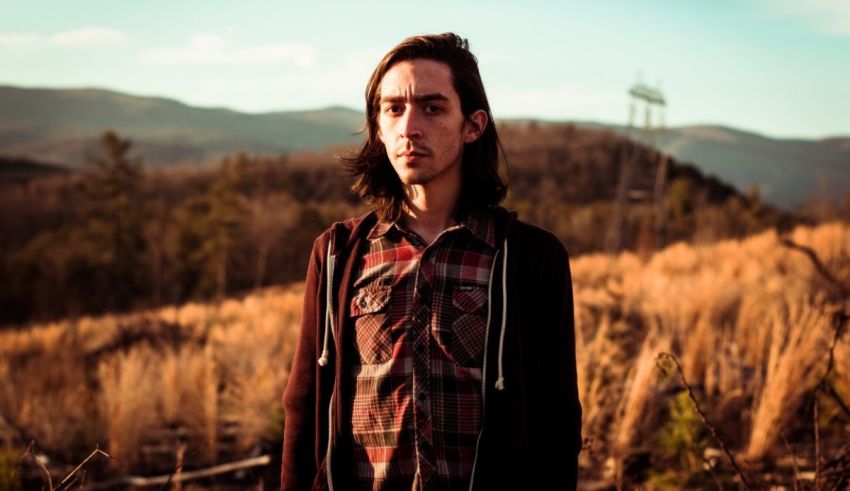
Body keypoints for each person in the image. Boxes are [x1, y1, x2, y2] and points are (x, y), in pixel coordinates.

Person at [280, 32, 581, 491]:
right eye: (394, 109)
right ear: (378, 127)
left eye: (432, 108)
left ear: (473, 125)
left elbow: (558, 419)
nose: (409, 127)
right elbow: (304, 408)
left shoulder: (531, 258)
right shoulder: (337, 253)